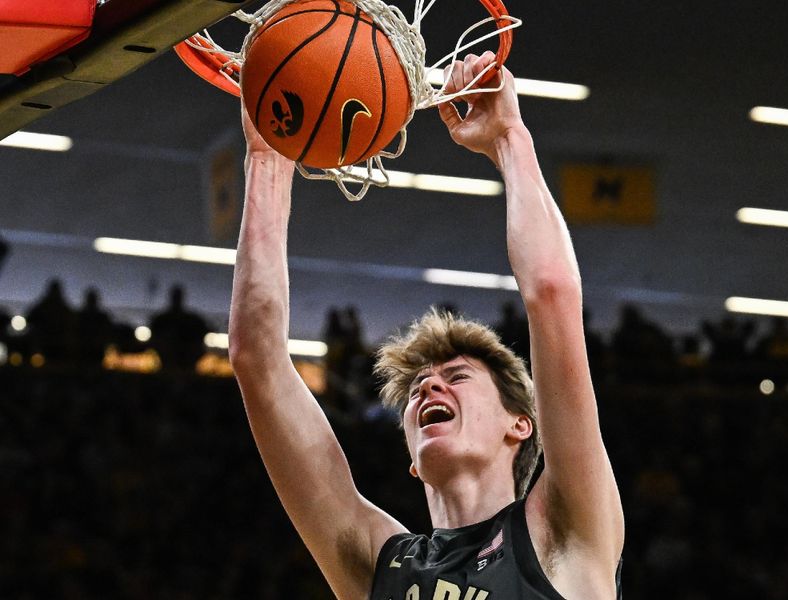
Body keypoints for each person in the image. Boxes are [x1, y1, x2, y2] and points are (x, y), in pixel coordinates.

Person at [229, 51, 624, 599]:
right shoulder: (381, 565)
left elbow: (553, 294)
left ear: (520, 424)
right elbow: (257, 360)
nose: (429, 388)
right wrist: (268, 161)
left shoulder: (563, 531)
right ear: (413, 462)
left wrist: (510, 139)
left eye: (457, 377)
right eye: (418, 390)